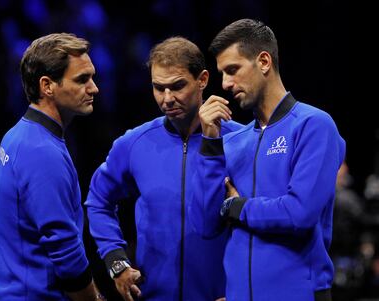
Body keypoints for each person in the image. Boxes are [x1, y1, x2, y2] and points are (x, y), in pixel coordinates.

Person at [189, 19, 346, 301]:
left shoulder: (314, 125)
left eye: (232, 70)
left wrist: (237, 207)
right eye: (222, 74)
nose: (225, 83)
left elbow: (299, 214)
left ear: (263, 61)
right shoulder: (233, 140)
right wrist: (211, 142)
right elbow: (204, 224)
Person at [85, 37, 243, 301]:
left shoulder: (241, 141)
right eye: (159, 88)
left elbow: (260, 222)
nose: (167, 99)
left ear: (202, 80)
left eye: (177, 86)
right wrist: (116, 261)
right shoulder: (134, 144)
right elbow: (98, 200)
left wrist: (242, 290)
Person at [0, 33, 104, 300]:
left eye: (92, 77)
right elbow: (65, 250)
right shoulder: (41, 152)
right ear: (47, 85)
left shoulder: (17, 135)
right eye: (82, 80)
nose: (94, 88)